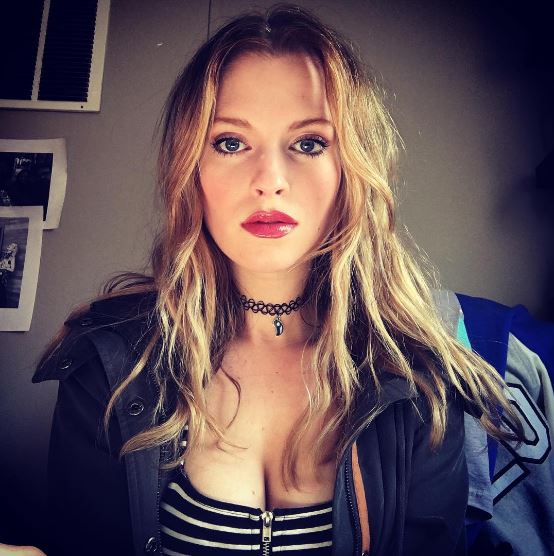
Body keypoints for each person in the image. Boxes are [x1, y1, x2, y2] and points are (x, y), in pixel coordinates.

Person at [21, 3, 525, 556]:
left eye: (308, 143)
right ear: (191, 167)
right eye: (231, 143)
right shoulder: (111, 364)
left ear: (352, 169)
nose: (269, 181)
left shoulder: (418, 382)